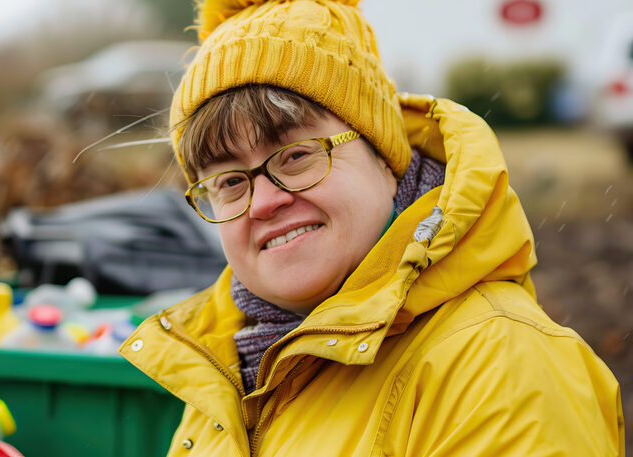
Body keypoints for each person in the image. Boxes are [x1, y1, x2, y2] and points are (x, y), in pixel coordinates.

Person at [120, 0, 625, 455]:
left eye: (296, 156)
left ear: (385, 159)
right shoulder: (230, 374)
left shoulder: (504, 368)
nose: (264, 203)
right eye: (230, 182)